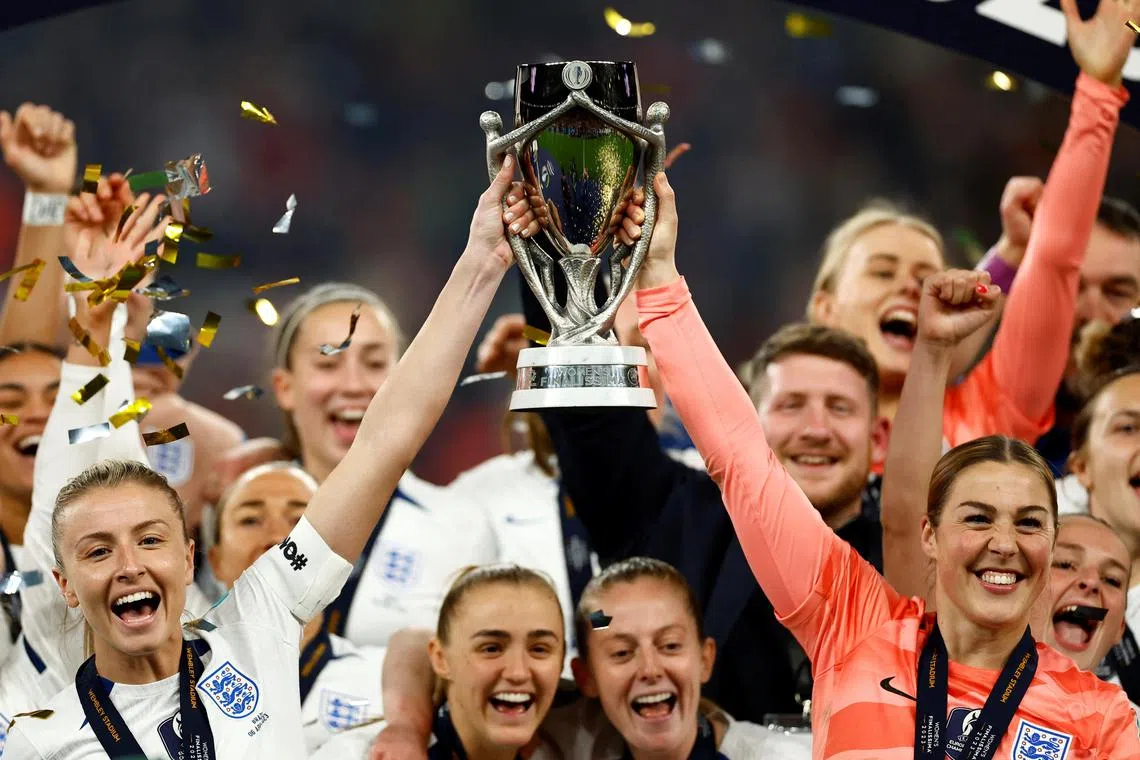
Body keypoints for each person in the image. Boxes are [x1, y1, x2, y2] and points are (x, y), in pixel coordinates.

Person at [2, 157, 521, 759]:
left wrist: (483, 261)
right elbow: (72, 475)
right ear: (65, 585)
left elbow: (386, 439)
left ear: (190, 554)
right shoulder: (39, 740)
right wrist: (95, 333)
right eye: (98, 551)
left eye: (150, 539)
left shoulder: (256, 628)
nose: (129, 565)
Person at [632, 168, 1140, 755]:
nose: (1004, 541)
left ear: (1051, 545)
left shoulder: (1101, 715)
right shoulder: (853, 623)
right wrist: (661, 283)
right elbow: (741, 459)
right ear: (929, 535)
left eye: (1029, 523)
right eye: (977, 518)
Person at [807, 0, 1133, 452]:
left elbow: (1056, 260)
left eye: (926, 280)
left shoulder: (986, 420)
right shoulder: (773, 416)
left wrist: (1098, 90)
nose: (909, 289)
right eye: (882, 271)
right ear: (825, 306)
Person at [877, 255, 1131, 678]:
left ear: (1121, 627)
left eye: (1113, 579)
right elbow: (906, 518)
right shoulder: (929, 658)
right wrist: (935, 349)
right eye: (1066, 564)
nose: (1090, 584)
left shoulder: (1124, 725)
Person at [270, 279, 499, 648]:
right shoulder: (238, 514)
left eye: (375, 363)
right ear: (284, 387)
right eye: (328, 362)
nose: (354, 384)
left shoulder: (460, 525)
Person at [207, 461, 386, 753]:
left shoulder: (385, 683)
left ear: (340, 552)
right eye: (251, 520)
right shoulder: (178, 680)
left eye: (301, 521)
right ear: (215, 560)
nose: (278, 539)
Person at [317, 565, 568, 760]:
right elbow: (411, 639)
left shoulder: (564, 744)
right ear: (440, 658)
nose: (518, 672)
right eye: (491, 648)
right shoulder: (365, 754)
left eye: (539, 649)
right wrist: (406, 726)